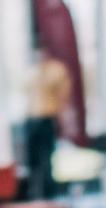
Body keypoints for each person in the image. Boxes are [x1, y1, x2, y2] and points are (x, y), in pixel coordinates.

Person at [24, 40, 71, 199]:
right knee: (32, 158)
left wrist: (61, 119)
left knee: (46, 157)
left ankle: (49, 193)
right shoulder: (32, 72)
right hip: (32, 119)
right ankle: (34, 193)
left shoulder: (56, 70)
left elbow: (63, 96)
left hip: (47, 118)